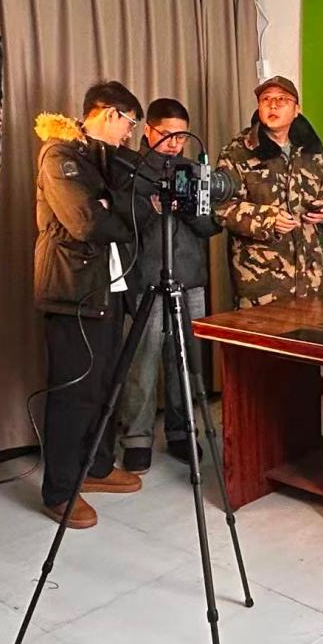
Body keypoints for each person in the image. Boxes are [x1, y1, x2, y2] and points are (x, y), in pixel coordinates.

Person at [33, 81, 148, 529]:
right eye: (129, 123)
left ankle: (97, 467)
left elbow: (127, 210)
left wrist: (114, 205)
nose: (130, 134)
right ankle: (60, 491)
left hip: (109, 289)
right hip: (73, 292)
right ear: (108, 113)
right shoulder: (60, 155)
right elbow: (87, 223)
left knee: (106, 384)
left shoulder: (102, 160)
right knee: (73, 393)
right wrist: (121, 209)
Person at [112, 98, 220, 473]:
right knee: (142, 363)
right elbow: (120, 223)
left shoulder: (192, 169)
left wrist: (188, 206)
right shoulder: (128, 167)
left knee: (185, 361)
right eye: (167, 135)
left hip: (190, 279)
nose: (174, 143)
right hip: (147, 278)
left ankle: (182, 431)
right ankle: (136, 439)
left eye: (181, 136)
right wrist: (155, 205)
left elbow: (210, 226)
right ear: (149, 130)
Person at [215, 76, 323, 308]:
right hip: (261, 283)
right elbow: (222, 207)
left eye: (282, 99)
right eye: (266, 100)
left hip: (310, 278)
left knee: (312, 332)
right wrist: (268, 219)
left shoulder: (312, 150)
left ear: (296, 109)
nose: (273, 105)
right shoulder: (238, 151)